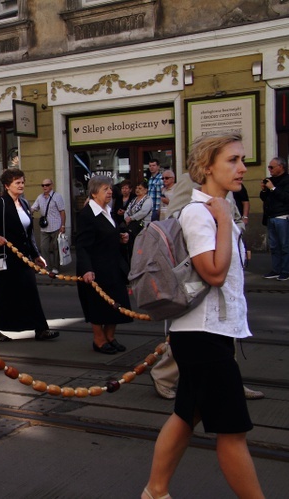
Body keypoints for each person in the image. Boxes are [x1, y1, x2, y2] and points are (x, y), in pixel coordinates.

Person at [142, 133, 264, 499]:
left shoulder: (216, 210)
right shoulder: (201, 213)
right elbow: (213, 273)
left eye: (242, 159)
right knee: (232, 432)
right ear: (207, 166)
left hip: (209, 332)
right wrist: (226, 222)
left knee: (185, 417)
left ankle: (155, 491)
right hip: (203, 335)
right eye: (232, 160)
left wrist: (228, 223)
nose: (243, 167)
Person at [0, 169, 60, 343]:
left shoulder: (24, 203)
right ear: (7, 185)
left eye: (22, 182)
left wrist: (37, 255)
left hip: (23, 258)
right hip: (6, 257)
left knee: (31, 291)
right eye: (17, 182)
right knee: (3, 293)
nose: (21, 185)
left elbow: (28, 234)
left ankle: (41, 329)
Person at [75, 176, 132, 354]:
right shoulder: (86, 215)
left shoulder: (109, 210)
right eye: (105, 189)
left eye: (110, 189)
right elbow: (82, 245)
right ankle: (99, 339)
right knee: (98, 305)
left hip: (113, 266)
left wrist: (122, 238)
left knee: (117, 303)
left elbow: (109, 233)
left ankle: (110, 336)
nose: (110, 192)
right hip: (96, 268)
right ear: (94, 193)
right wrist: (86, 269)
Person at [259, 156, 289, 280]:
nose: (269, 169)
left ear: (280, 167)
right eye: (269, 167)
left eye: (272, 167)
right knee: (274, 246)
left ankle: (286, 271)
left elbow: (286, 198)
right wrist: (264, 191)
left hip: (282, 216)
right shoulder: (270, 180)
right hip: (270, 217)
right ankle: (276, 270)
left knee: (285, 246)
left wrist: (272, 188)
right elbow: (264, 198)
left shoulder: (287, 180)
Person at [30, 178, 66, 273]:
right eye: (43, 185)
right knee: (43, 247)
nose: (44, 187)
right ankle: (46, 267)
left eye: (47, 185)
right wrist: (27, 211)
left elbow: (62, 211)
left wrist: (63, 226)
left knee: (55, 248)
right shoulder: (40, 197)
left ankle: (56, 267)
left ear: (51, 185)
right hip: (44, 227)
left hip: (56, 226)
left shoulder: (57, 197)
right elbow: (33, 208)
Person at [124, 180, 153, 259]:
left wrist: (131, 218)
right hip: (131, 225)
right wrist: (126, 217)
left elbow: (143, 212)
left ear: (145, 190)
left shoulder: (148, 199)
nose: (137, 190)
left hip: (142, 226)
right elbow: (127, 210)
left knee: (139, 246)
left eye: (140, 188)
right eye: (136, 188)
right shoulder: (134, 199)